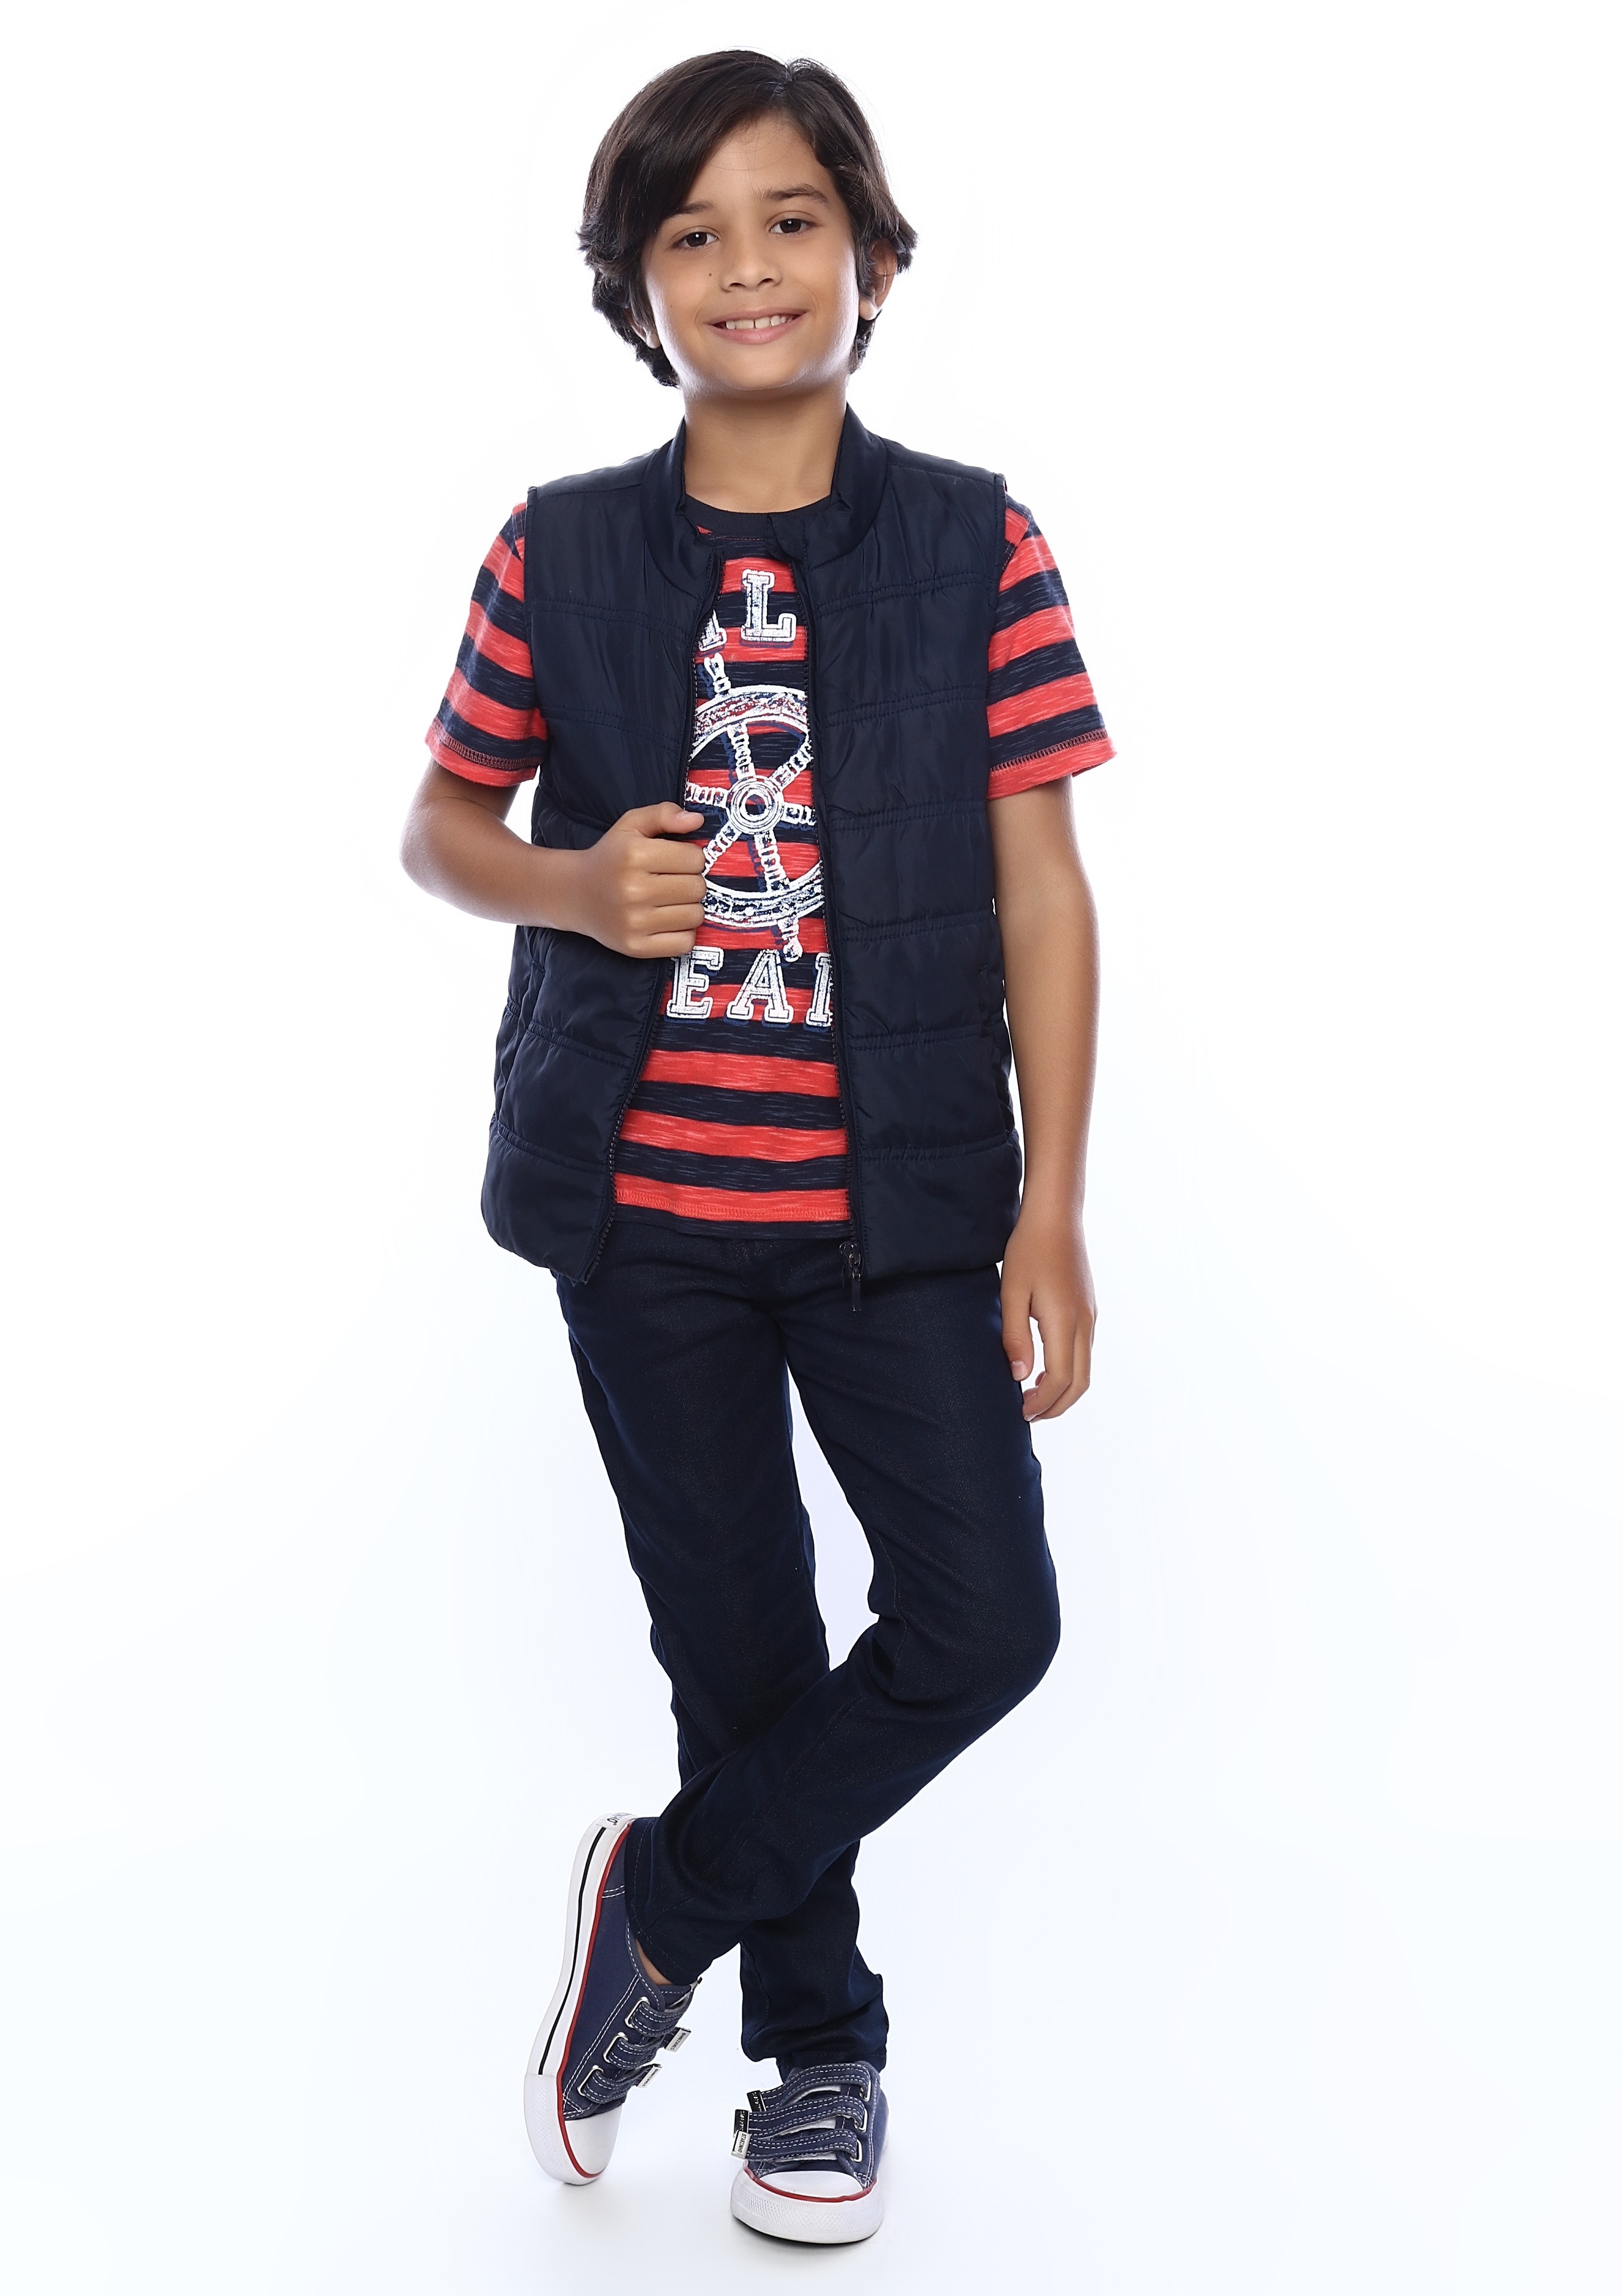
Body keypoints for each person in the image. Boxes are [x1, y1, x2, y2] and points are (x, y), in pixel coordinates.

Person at [401, 49, 1112, 2247]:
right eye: (690, 233)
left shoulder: (976, 542)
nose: (746, 266)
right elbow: (437, 831)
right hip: (640, 1222)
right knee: (738, 1653)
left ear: (872, 258)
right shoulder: (559, 549)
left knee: (982, 1618)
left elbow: (1042, 888)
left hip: (900, 1211)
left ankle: (661, 1901)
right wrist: (569, 881)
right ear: (634, 289)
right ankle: (818, 2065)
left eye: (791, 219)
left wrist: (1054, 1206)